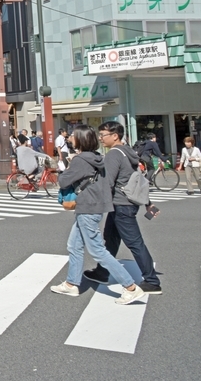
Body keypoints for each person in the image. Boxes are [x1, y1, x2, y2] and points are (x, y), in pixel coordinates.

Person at [50, 124, 145, 305]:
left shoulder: (80, 160)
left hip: (87, 207)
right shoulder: (97, 157)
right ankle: (71, 283)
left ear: (80, 139)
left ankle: (130, 287)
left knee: (97, 250)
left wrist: (67, 167)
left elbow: (63, 181)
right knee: (74, 245)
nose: (70, 138)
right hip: (95, 206)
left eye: (73, 136)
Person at [82, 122, 162, 295]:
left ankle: (152, 281)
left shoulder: (113, 154)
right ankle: (102, 272)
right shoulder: (128, 152)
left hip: (121, 205)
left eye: (103, 135)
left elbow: (107, 182)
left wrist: (94, 202)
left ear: (115, 136)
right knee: (110, 239)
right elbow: (136, 179)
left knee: (135, 242)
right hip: (126, 203)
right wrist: (148, 203)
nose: (100, 138)